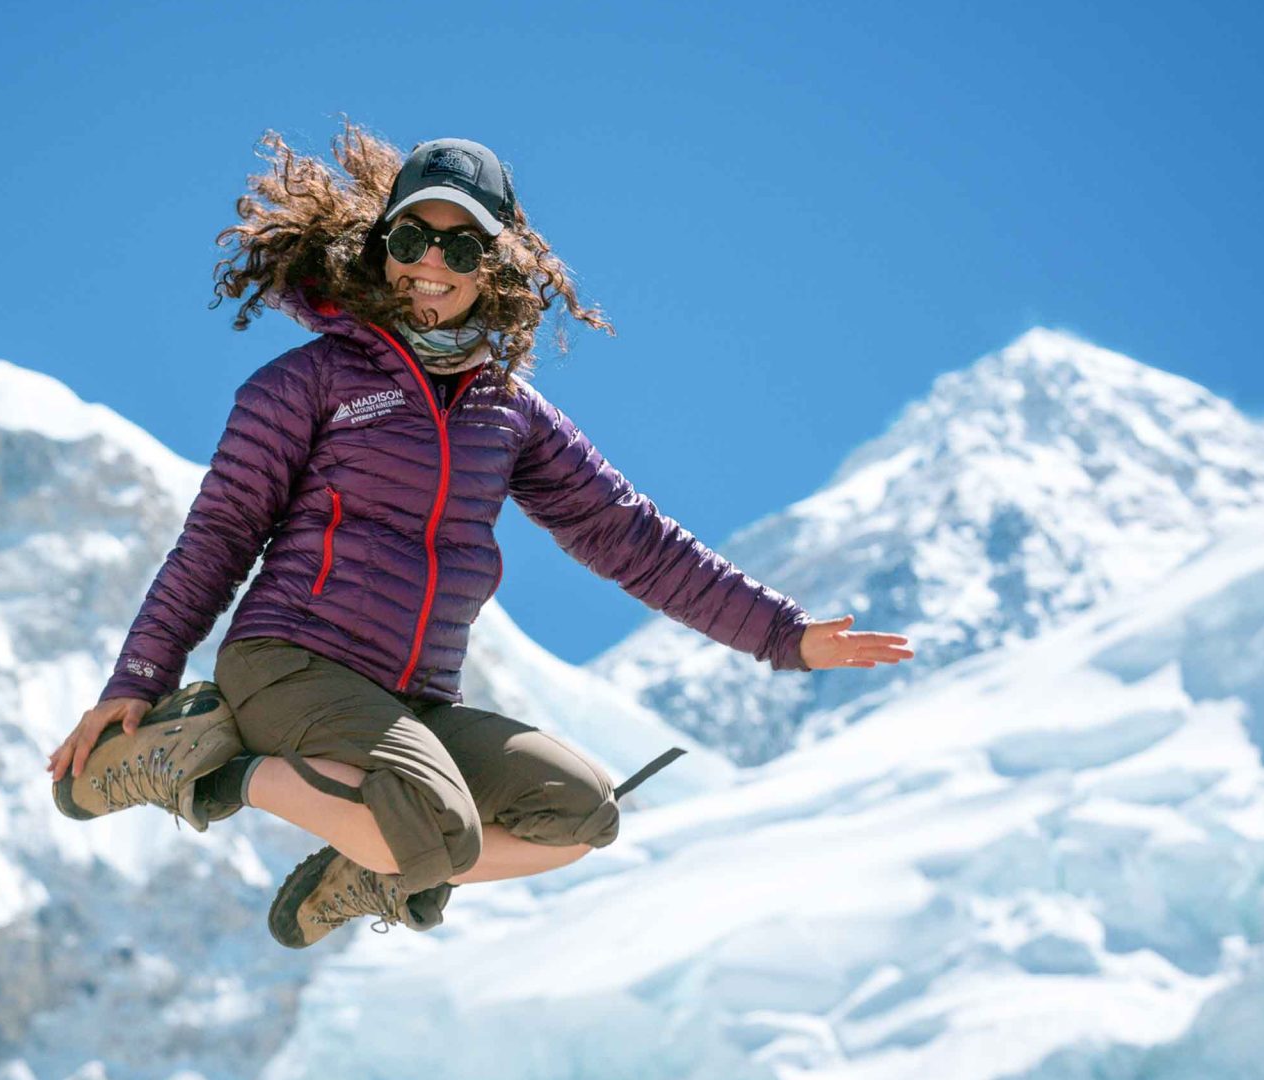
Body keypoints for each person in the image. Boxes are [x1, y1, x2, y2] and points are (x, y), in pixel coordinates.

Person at [46, 123, 915, 949]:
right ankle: (208, 765)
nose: (431, 262)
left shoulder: (510, 414)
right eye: (412, 236)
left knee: (579, 813)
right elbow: (219, 534)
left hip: (414, 698)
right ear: (380, 244)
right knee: (439, 823)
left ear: (494, 263)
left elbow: (629, 537)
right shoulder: (309, 383)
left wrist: (783, 636)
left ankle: (381, 871)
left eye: (460, 246)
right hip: (290, 662)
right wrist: (141, 675)